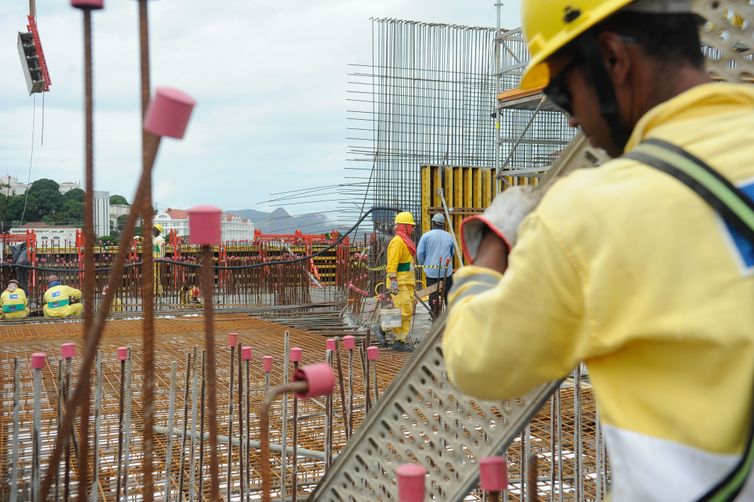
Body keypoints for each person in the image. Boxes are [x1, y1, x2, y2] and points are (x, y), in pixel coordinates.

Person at [442, 1, 754, 500]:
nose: (571, 122)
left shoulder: (588, 213)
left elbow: (478, 360)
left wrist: (490, 250)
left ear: (613, 59)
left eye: (564, 94)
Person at [385, 211, 417, 352]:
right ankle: (381, 327)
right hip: (399, 282)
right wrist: (393, 281)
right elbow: (392, 263)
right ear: (404, 226)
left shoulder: (407, 242)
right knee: (403, 310)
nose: (413, 228)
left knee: (407, 312)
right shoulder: (397, 241)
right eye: (411, 225)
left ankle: (400, 340)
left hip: (407, 282)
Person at [416, 213, 455, 317]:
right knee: (448, 296)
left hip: (431, 273)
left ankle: (435, 314)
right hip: (447, 272)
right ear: (443, 224)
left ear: (433, 223)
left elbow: (419, 253)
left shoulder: (426, 236)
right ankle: (449, 317)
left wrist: (424, 265)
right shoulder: (449, 236)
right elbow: (452, 253)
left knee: (433, 296)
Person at [153, 223, 166, 295]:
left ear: (158, 231)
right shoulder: (154, 239)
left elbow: (162, 251)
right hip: (152, 260)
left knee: (156, 276)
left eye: (154, 230)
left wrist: (160, 259)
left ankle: (157, 292)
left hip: (157, 260)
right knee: (153, 276)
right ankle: (156, 291)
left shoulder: (160, 239)